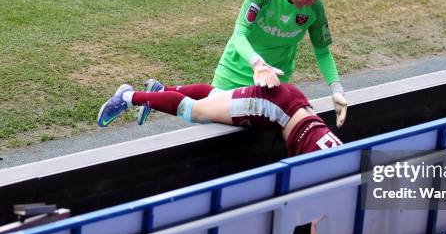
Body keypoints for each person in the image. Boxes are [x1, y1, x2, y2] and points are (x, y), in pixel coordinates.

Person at [136, 0, 348, 129]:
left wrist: (336, 89)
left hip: (271, 81)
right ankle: (153, 95)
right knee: (208, 117)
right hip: (236, 69)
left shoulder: (314, 9)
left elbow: (322, 51)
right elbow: (239, 33)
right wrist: (256, 63)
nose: (311, 3)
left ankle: (158, 92)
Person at [98, 80, 342, 157]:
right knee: (197, 112)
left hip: (291, 101)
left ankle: (160, 92)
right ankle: (128, 97)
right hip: (275, 107)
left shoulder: (354, 164)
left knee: (218, 99)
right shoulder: (346, 185)